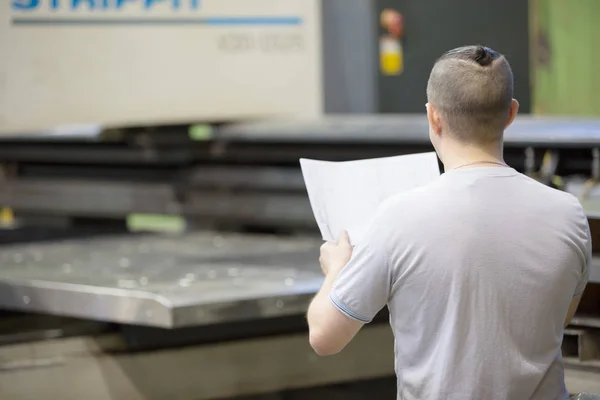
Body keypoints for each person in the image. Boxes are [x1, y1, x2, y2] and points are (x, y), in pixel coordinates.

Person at [306, 45, 591, 400]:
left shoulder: (399, 217)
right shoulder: (569, 214)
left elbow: (324, 337)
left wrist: (336, 269)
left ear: (434, 117)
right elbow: (558, 318)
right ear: (511, 113)